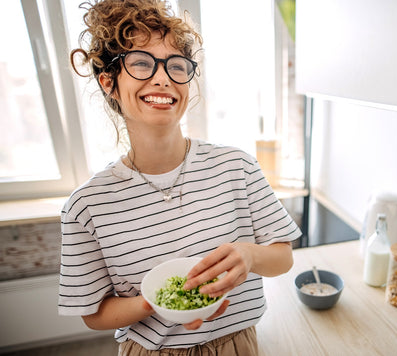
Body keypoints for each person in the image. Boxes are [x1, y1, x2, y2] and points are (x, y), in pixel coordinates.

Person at [57, 0, 302, 355]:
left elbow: (283, 257)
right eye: (141, 62)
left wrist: (249, 255)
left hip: (240, 346)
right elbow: (94, 313)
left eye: (176, 65)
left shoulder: (238, 167)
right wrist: (154, 303)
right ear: (108, 81)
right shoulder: (86, 206)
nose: (163, 77)